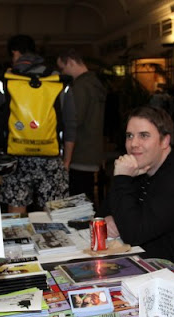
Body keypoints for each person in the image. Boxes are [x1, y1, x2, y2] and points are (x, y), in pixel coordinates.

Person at [98, 106, 174, 290]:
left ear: (165, 141)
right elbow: (103, 214)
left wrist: (122, 179)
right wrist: (123, 186)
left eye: (144, 135)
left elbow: (134, 234)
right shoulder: (146, 167)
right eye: (129, 136)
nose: (133, 143)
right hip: (157, 268)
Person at [0, 34, 77, 213]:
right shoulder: (58, 81)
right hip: (51, 159)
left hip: (15, 159)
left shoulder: (5, 81)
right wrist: (67, 162)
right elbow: (71, 125)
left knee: (17, 218)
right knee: (54, 216)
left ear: (15, 52)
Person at [57, 49, 107, 204]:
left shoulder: (80, 87)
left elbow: (73, 120)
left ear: (71, 62)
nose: (62, 73)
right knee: (85, 200)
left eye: (62, 68)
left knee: (78, 204)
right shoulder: (94, 84)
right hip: (91, 152)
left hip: (78, 152)